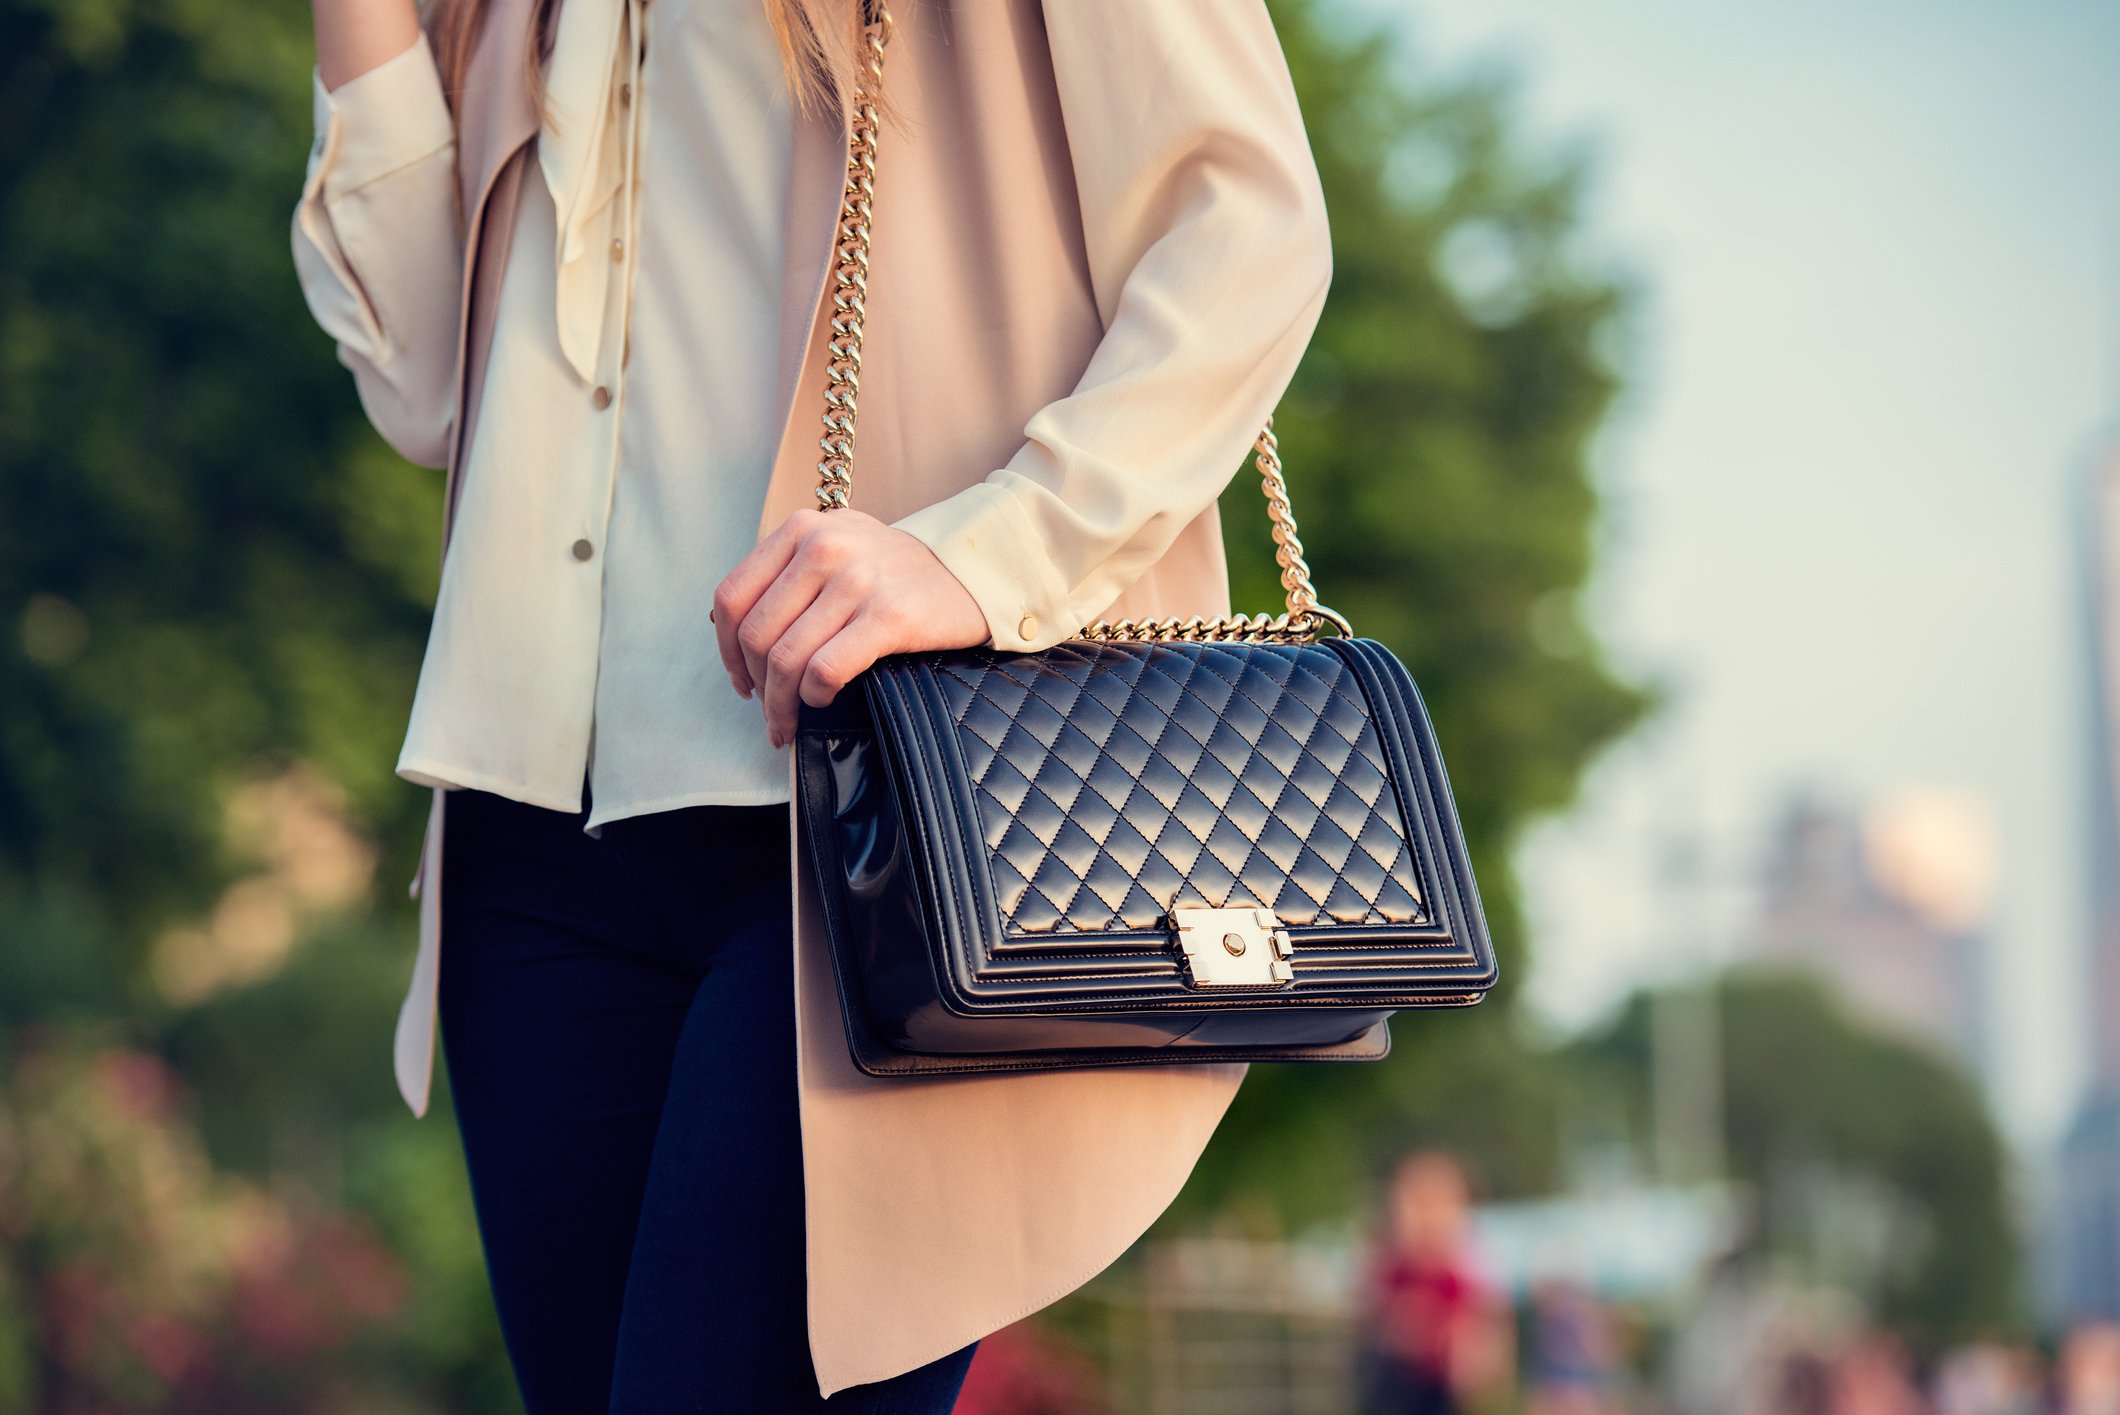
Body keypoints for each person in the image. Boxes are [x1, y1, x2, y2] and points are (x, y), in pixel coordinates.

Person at [291, 0, 1334, 1409]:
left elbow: (1247, 227)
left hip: (872, 821)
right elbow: (422, 387)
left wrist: (986, 550)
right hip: (525, 839)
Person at [1360, 1152, 1513, 1415]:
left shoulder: (1462, 1272)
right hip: (1397, 1382)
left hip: (1440, 1385)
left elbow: (1484, 1328)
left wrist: (1472, 1356)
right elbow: (1375, 1319)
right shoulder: (1393, 1269)